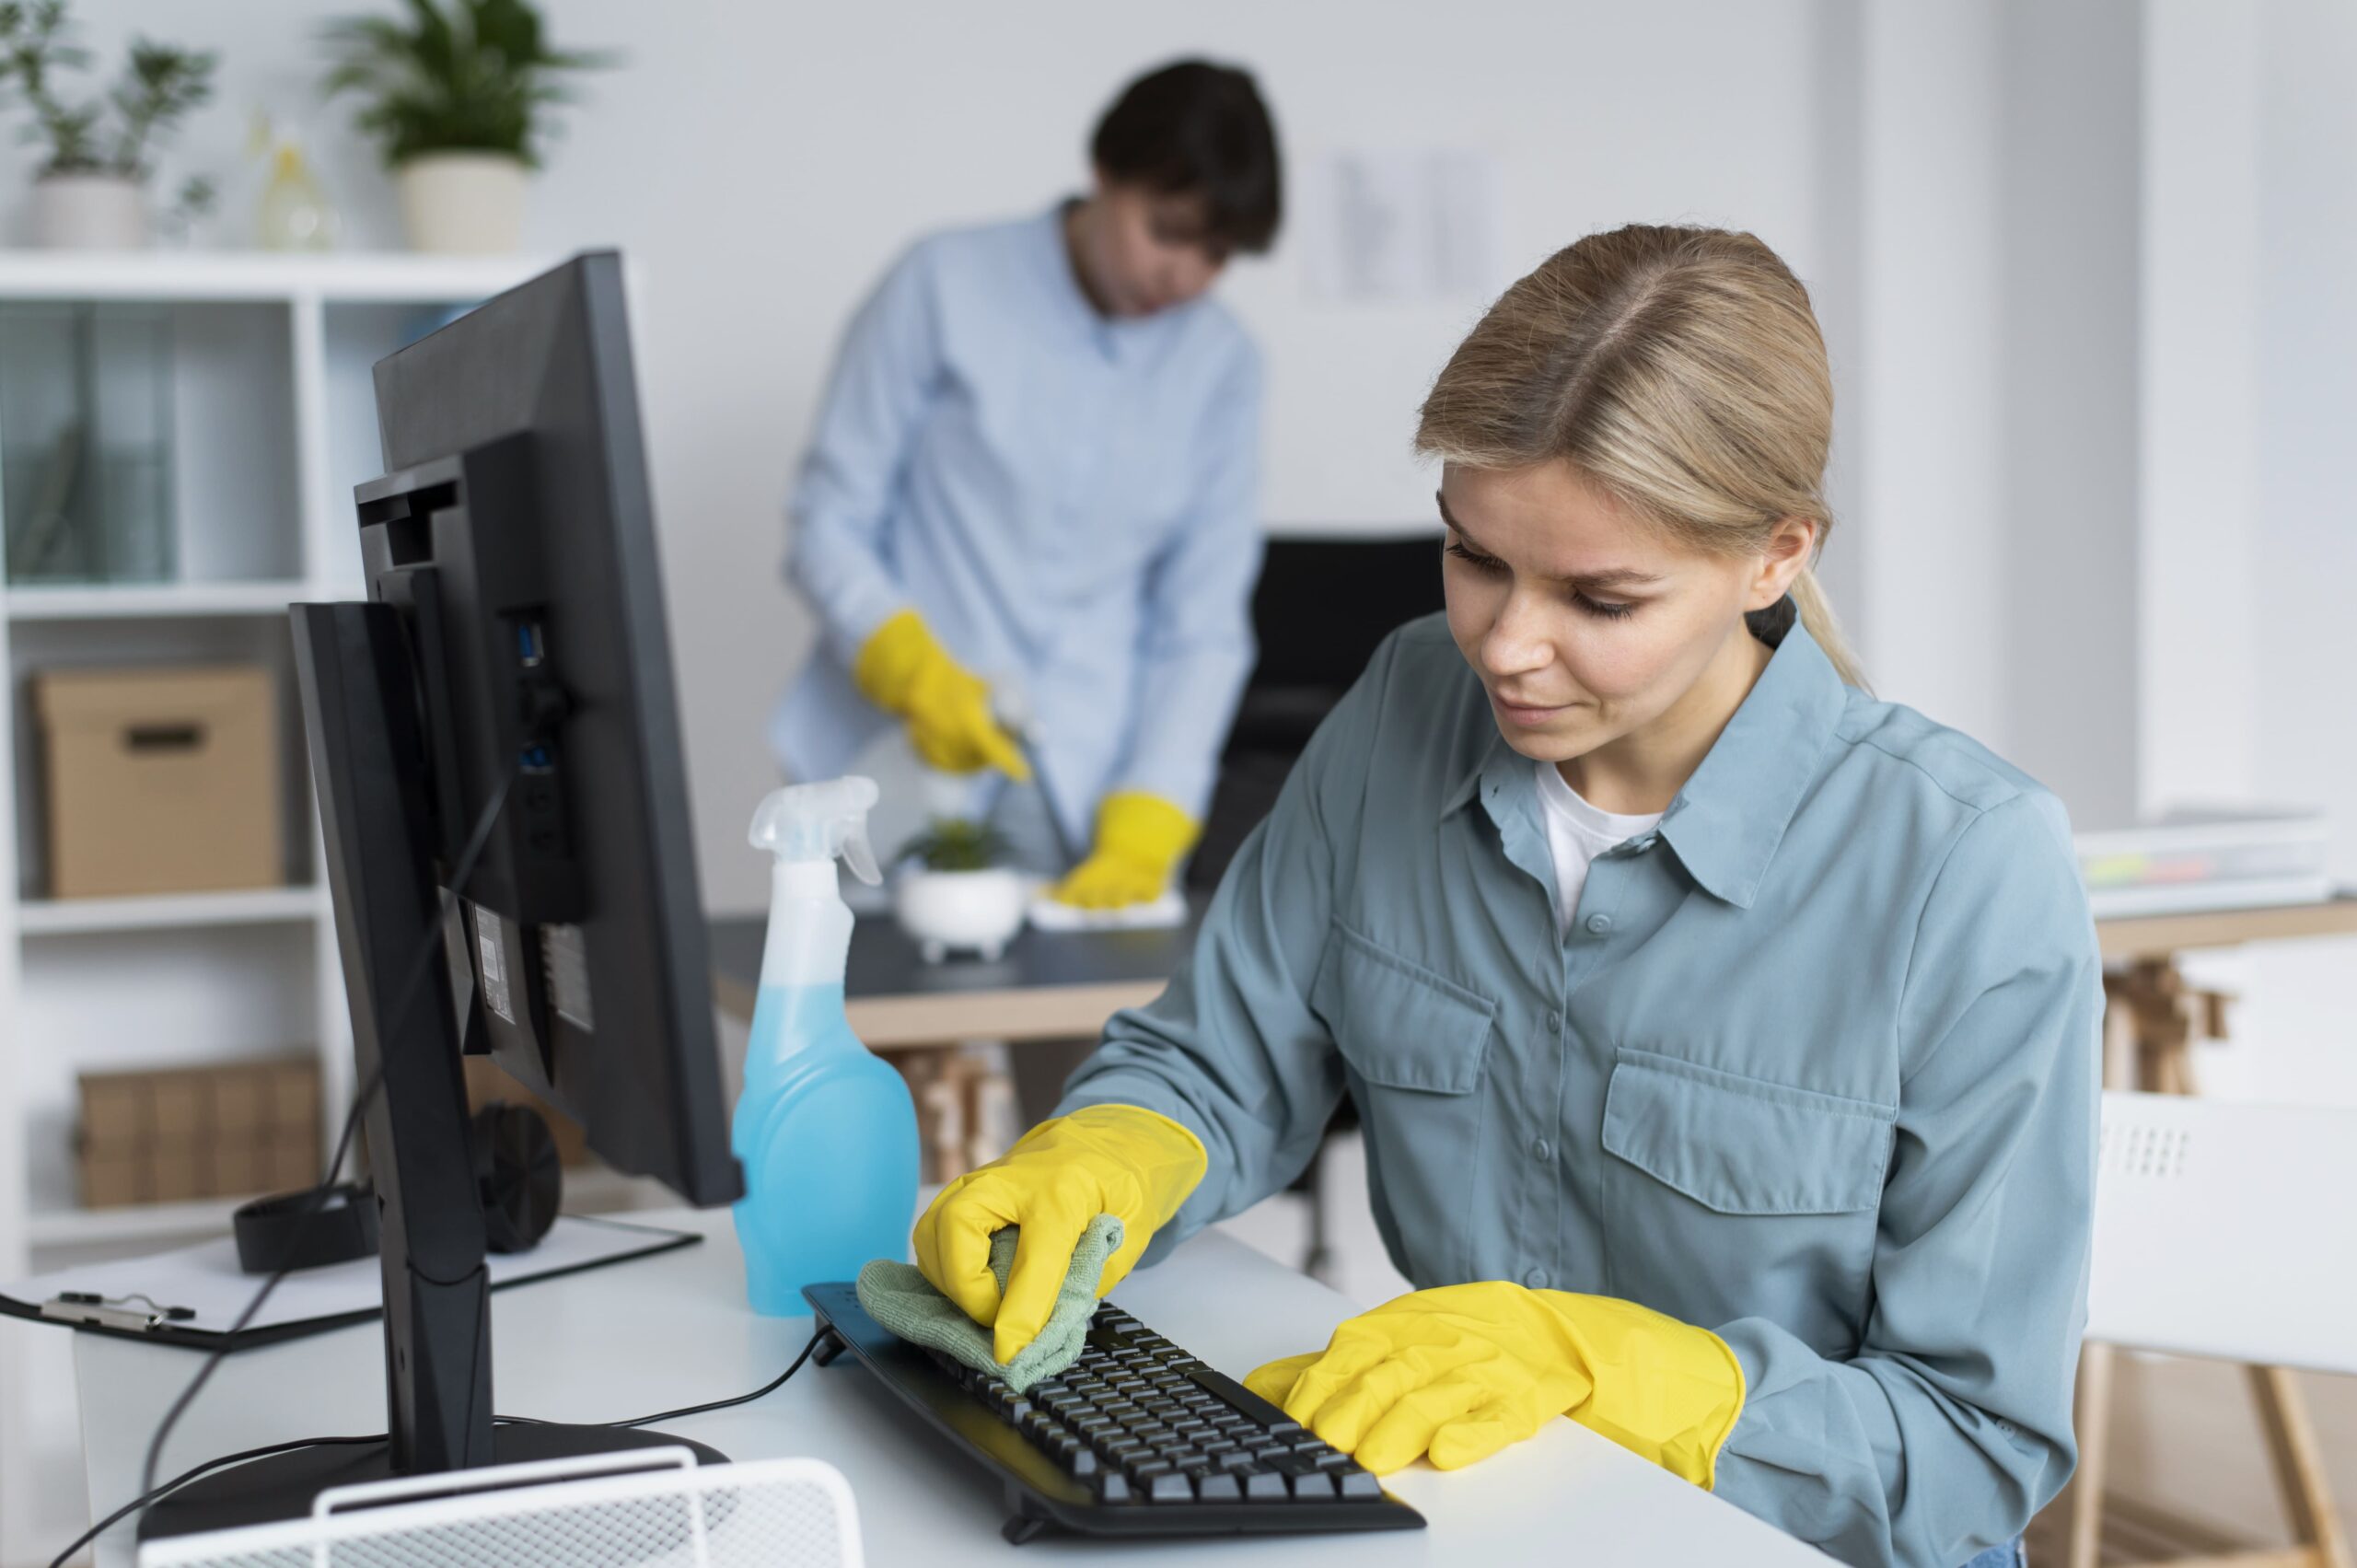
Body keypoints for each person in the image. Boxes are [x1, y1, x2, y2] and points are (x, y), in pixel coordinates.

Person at [911, 226, 2098, 1568]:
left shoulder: (1969, 866)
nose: (1506, 645)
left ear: (1775, 554)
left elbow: (1973, 1452)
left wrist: (1604, 1367)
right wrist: (1106, 1151)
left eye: (1600, 596)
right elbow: (1220, 1060)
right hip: (1469, 1521)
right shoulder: (1404, 702)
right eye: (1476, 557)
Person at [772, 59, 1281, 911]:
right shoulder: (943, 282)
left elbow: (1202, 623)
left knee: (1094, 1043)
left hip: (1080, 780)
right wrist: (906, 664)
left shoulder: (1223, 365)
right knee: (881, 1038)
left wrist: (1155, 806)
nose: (1184, 276)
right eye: (1167, 230)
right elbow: (829, 518)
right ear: (1104, 173)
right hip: (890, 764)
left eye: (1217, 253)